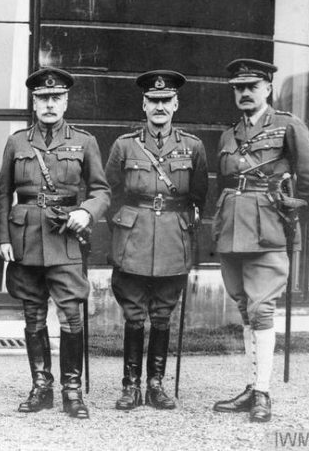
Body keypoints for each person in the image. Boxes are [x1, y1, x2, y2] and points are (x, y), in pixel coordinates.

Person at [0, 67, 110, 419]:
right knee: (32, 315)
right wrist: (2, 239)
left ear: (66, 101)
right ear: (34, 102)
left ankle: (71, 392)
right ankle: (40, 387)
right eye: (43, 98)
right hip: (25, 238)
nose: (49, 104)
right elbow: (3, 194)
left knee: (71, 316)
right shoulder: (17, 142)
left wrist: (87, 212)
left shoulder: (84, 141)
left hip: (66, 237)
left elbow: (101, 190)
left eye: (56, 98)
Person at [212, 59, 309, 423]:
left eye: (252, 87)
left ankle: (263, 393)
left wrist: (292, 218)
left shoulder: (289, 125)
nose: (244, 93)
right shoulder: (229, 134)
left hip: (269, 231)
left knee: (262, 310)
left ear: (267, 89)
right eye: (238, 88)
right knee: (245, 309)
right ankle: (250, 386)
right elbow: (224, 183)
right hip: (231, 230)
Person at [105, 70, 208, 411]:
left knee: (162, 315)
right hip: (133, 238)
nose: (160, 107)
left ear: (176, 104)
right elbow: (111, 192)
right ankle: (131, 385)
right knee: (134, 315)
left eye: (166, 101)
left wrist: (186, 230)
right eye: (154, 101)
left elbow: (198, 196)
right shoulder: (124, 146)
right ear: (144, 104)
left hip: (172, 240)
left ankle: (156, 385)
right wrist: (124, 226)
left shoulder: (192, 147)